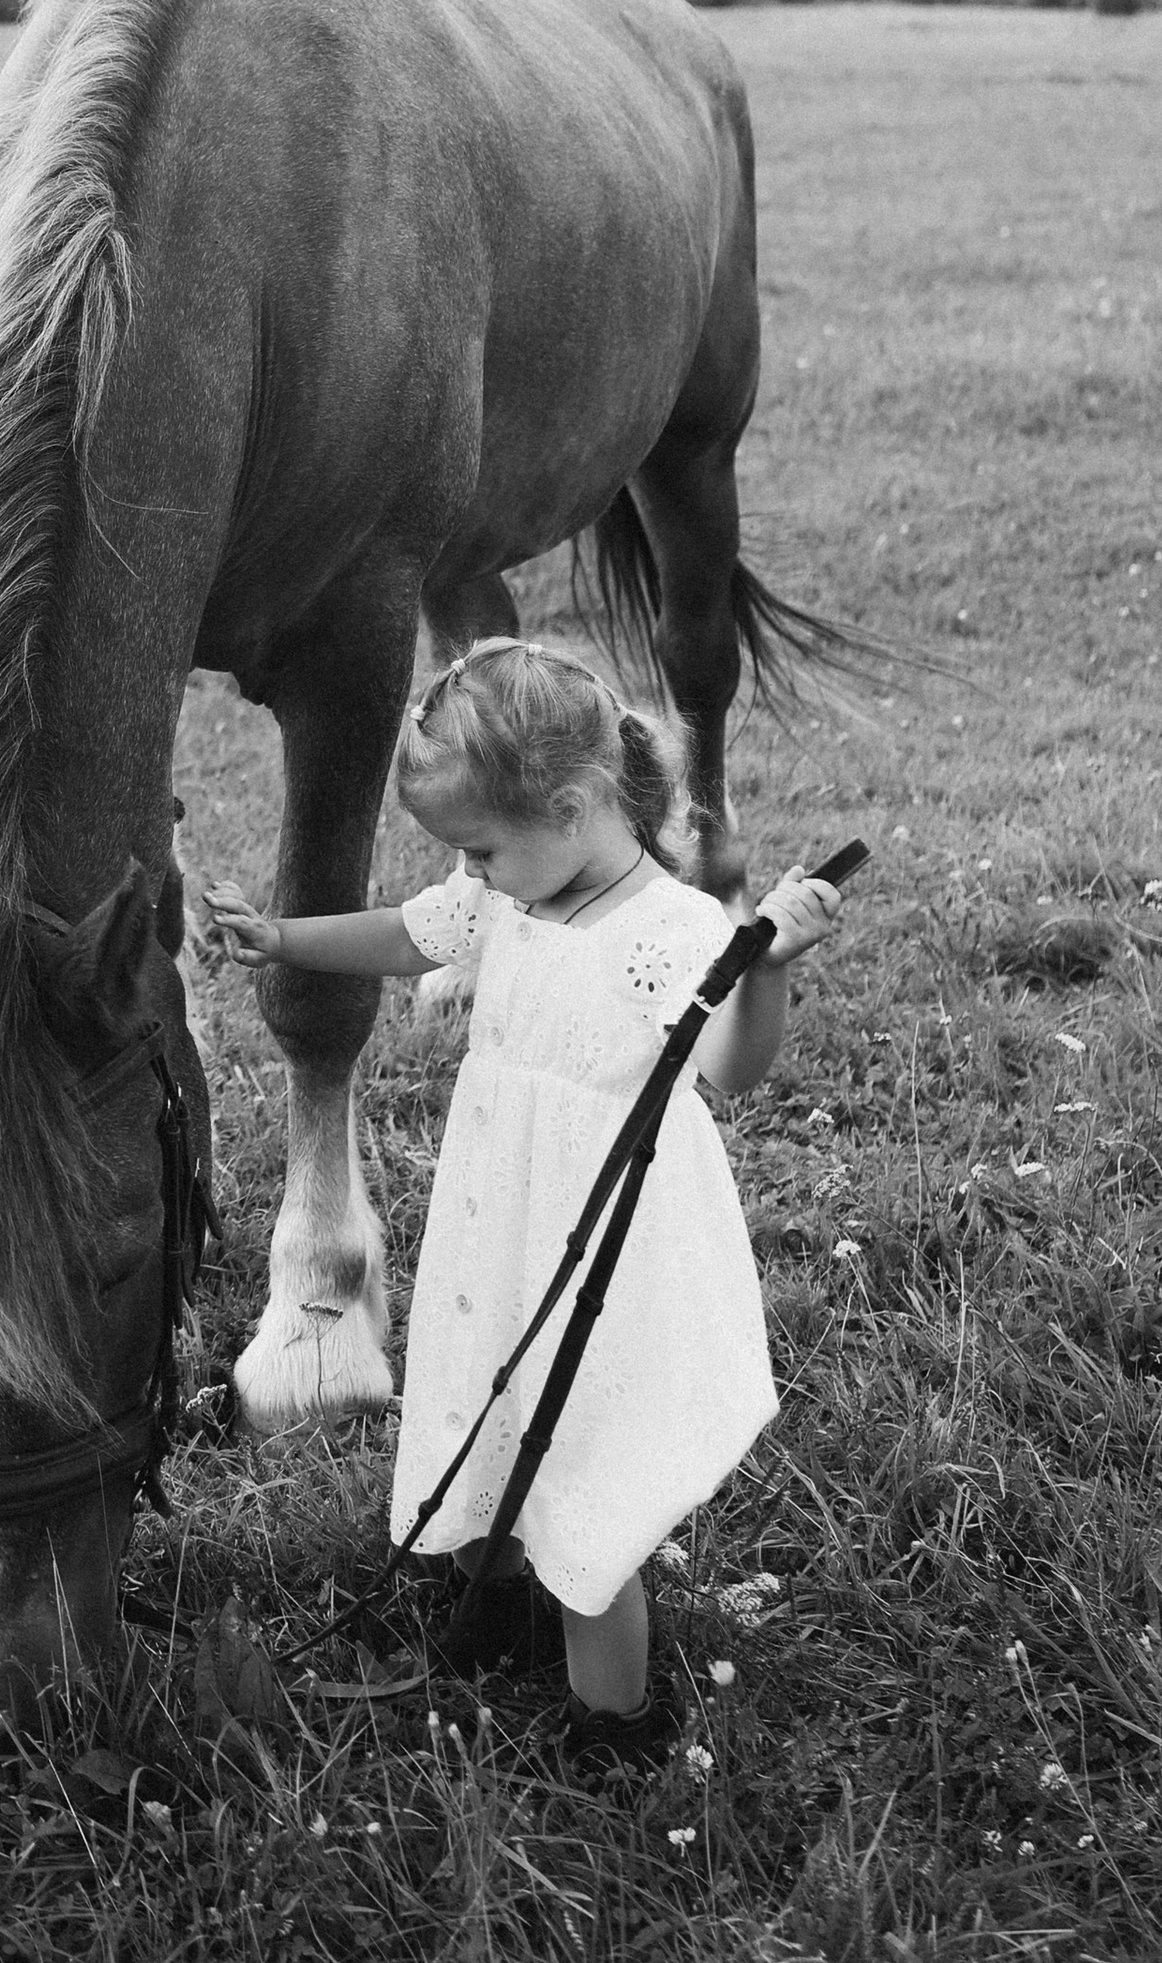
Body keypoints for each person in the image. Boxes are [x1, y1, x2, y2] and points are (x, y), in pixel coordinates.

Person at [204, 635, 843, 1768]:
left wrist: (772, 965)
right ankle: (490, 1609)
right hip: (497, 1226)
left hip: (607, 1245)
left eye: (483, 850)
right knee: (487, 1407)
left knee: (585, 1475)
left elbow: (732, 1068)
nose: (473, 876)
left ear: (573, 803)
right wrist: (277, 938)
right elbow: (406, 935)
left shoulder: (671, 931)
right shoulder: (510, 897)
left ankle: (616, 1734)